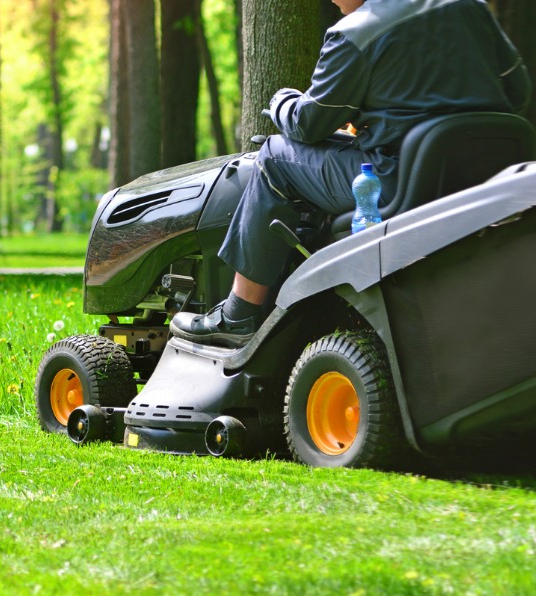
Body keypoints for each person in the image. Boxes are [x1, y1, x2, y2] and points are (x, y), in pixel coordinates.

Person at [170, 0, 531, 348]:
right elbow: (517, 93)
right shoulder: (471, 7)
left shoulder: (356, 32)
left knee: (273, 157)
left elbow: (309, 123)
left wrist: (282, 101)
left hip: (399, 183)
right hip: (487, 181)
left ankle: (240, 314)